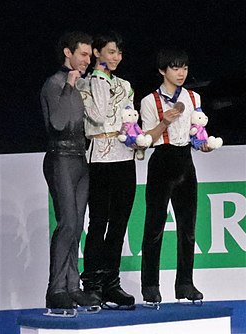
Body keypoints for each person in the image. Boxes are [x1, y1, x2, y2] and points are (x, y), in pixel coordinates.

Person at [140, 48, 211, 305]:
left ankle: (185, 284)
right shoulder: (150, 101)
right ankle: (150, 285)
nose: (181, 73)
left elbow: (196, 131)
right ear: (162, 70)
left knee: (187, 229)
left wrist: (201, 143)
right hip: (161, 162)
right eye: (175, 68)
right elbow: (146, 140)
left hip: (185, 162)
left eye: (184, 68)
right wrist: (165, 121)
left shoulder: (194, 96)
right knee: (154, 228)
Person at [41, 31, 99, 311]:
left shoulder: (82, 85)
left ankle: (73, 287)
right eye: (83, 54)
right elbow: (59, 122)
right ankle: (56, 289)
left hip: (80, 159)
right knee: (66, 223)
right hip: (60, 157)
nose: (88, 60)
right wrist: (68, 86)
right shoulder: (54, 83)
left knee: (77, 225)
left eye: (90, 55)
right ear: (68, 53)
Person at [78, 31, 136, 309]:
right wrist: (99, 76)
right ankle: (92, 284)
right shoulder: (87, 82)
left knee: (120, 224)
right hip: (99, 158)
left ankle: (112, 282)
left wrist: (138, 140)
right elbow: (99, 115)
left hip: (123, 157)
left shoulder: (124, 84)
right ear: (97, 52)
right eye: (110, 52)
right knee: (98, 222)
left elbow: (129, 120)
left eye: (119, 53)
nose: (116, 57)